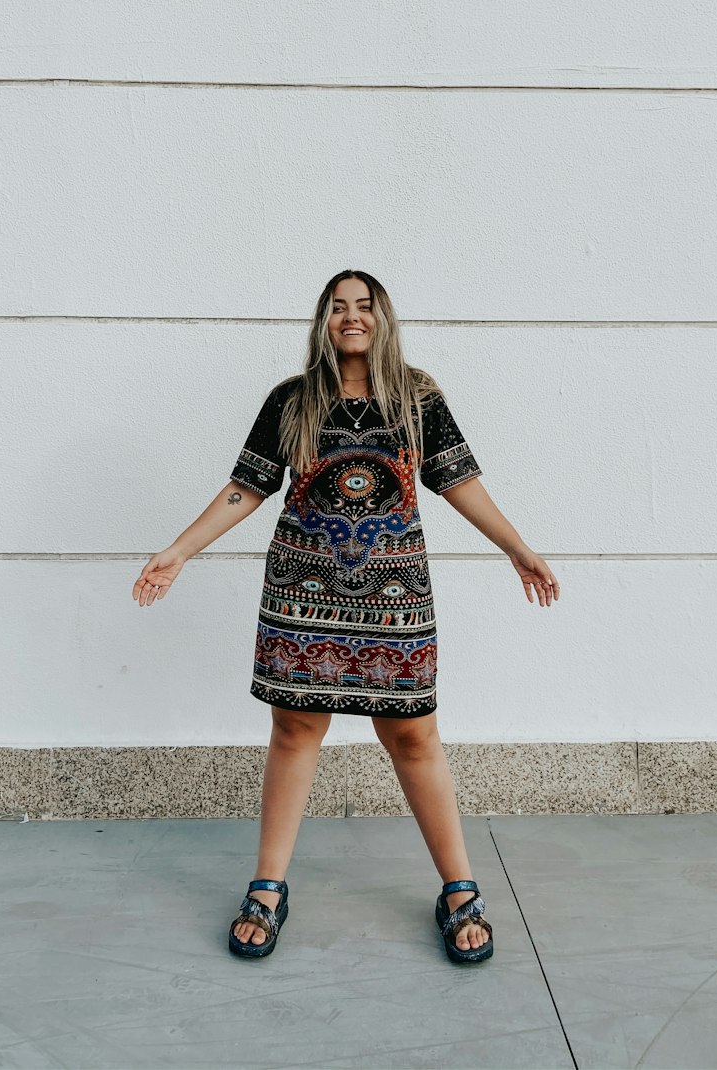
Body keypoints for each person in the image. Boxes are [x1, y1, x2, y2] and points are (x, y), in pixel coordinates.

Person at [132, 270, 558, 964]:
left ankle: (458, 888)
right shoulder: (292, 401)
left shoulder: (418, 398)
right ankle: (268, 887)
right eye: (338, 307)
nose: (351, 317)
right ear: (323, 320)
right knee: (295, 726)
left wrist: (518, 549)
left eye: (363, 306)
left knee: (414, 734)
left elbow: (460, 482)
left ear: (382, 318)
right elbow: (247, 486)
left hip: (395, 593)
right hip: (303, 589)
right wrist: (177, 551)